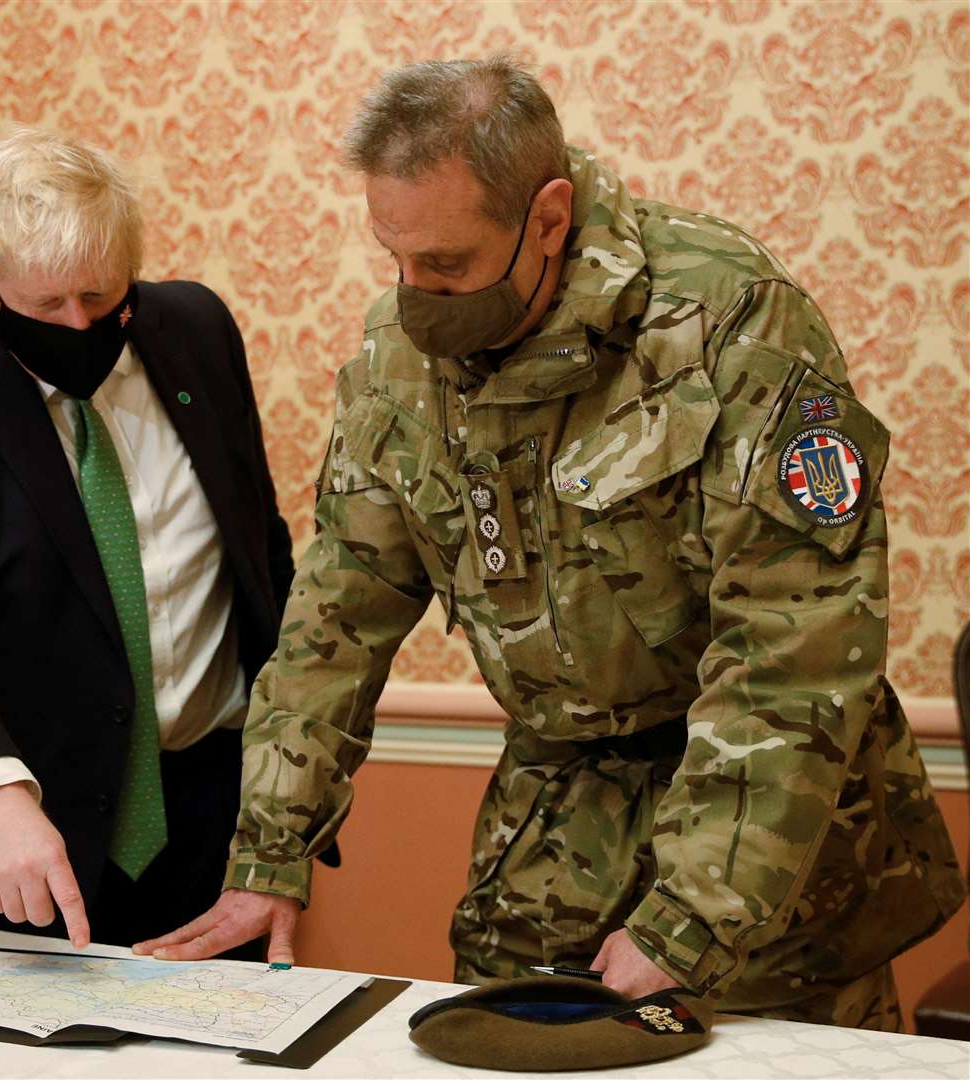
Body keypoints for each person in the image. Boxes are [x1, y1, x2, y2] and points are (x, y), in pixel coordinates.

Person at [135, 57, 965, 1029]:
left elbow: (793, 650)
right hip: (552, 842)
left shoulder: (728, 322)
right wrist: (269, 853)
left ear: (549, 217)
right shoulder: (397, 363)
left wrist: (691, 919)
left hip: (767, 860)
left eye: (446, 266)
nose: (416, 298)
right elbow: (337, 614)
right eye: (394, 259)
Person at [0, 128, 301, 951]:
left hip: (212, 826)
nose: (80, 323)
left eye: (100, 295)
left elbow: (260, 555)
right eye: (47, 306)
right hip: (22, 839)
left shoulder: (196, 329)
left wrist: (283, 820)